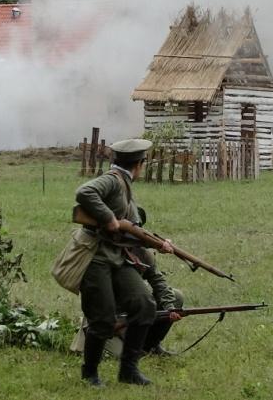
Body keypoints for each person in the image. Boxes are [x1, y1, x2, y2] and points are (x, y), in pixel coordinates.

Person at [73, 138, 178, 387]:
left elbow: (131, 229)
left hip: (119, 256)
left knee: (144, 304)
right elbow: (84, 192)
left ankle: (129, 371)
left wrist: (156, 243)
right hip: (96, 257)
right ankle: (90, 374)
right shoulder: (113, 180)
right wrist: (108, 218)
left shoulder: (125, 184)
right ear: (140, 164)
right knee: (102, 319)